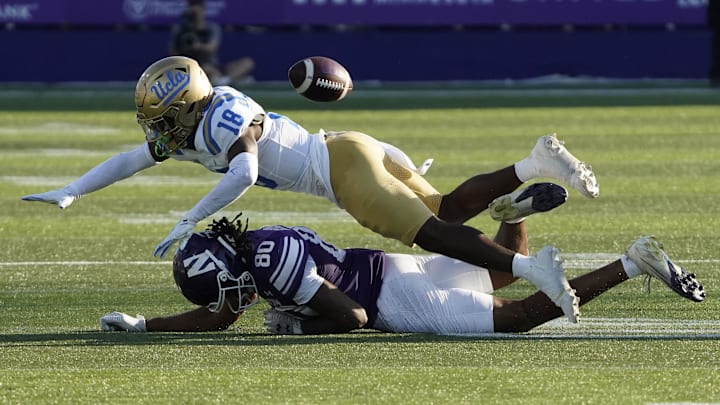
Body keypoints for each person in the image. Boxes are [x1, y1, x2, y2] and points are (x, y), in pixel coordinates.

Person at [22, 56, 599, 321]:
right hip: (348, 145)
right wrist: (74, 189)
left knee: (432, 233)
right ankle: (531, 164)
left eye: (164, 115)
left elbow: (245, 173)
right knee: (445, 207)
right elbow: (130, 158)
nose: (157, 129)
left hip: (343, 173)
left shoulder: (221, 119)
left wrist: (189, 217)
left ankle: (531, 273)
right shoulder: (198, 122)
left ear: (189, 104)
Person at [99, 207, 705, 335]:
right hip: (392, 266)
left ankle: (632, 262)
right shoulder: (254, 246)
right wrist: (145, 325)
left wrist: (298, 326)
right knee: (502, 276)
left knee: (516, 318)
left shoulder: (269, 264)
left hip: (394, 299)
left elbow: (353, 316)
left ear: (231, 264)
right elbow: (221, 316)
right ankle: (514, 209)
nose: (234, 297)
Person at [170, 0, 254, 85]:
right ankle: (231, 80)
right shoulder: (180, 29)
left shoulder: (212, 28)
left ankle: (225, 80)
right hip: (193, 66)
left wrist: (198, 46)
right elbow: (173, 53)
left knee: (247, 62)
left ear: (203, 11)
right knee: (206, 70)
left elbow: (211, 48)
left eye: (197, 11)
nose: (195, 14)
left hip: (214, 65)